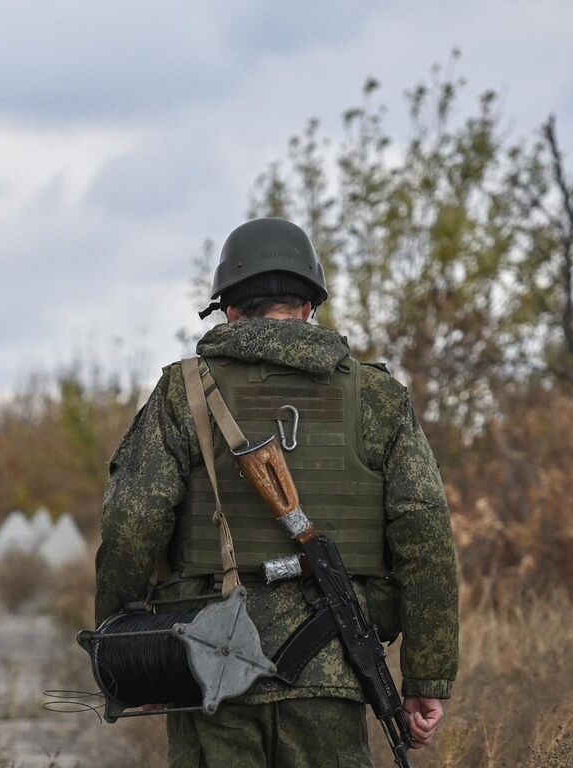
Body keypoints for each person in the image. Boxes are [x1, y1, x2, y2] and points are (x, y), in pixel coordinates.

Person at [95, 218, 460, 767]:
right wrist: (427, 675)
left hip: (211, 655)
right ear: (311, 304)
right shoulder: (377, 396)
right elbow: (425, 533)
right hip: (333, 660)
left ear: (231, 309)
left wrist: (129, 649)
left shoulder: (184, 391)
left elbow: (131, 521)